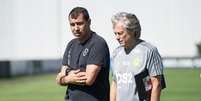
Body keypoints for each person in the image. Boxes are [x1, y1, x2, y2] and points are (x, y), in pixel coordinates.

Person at [56, 7, 110, 101]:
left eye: (80, 24)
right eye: (72, 24)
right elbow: (59, 78)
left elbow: (88, 79)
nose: (76, 28)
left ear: (89, 22)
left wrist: (67, 77)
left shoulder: (98, 43)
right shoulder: (71, 44)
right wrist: (67, 77)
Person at [110, 12, 166, 101]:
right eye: (115, 33)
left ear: (133, 31)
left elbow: (156, 84)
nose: (117, 37)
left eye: (120, 33)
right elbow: (114, 83)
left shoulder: (149, 51)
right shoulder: (116, 53)